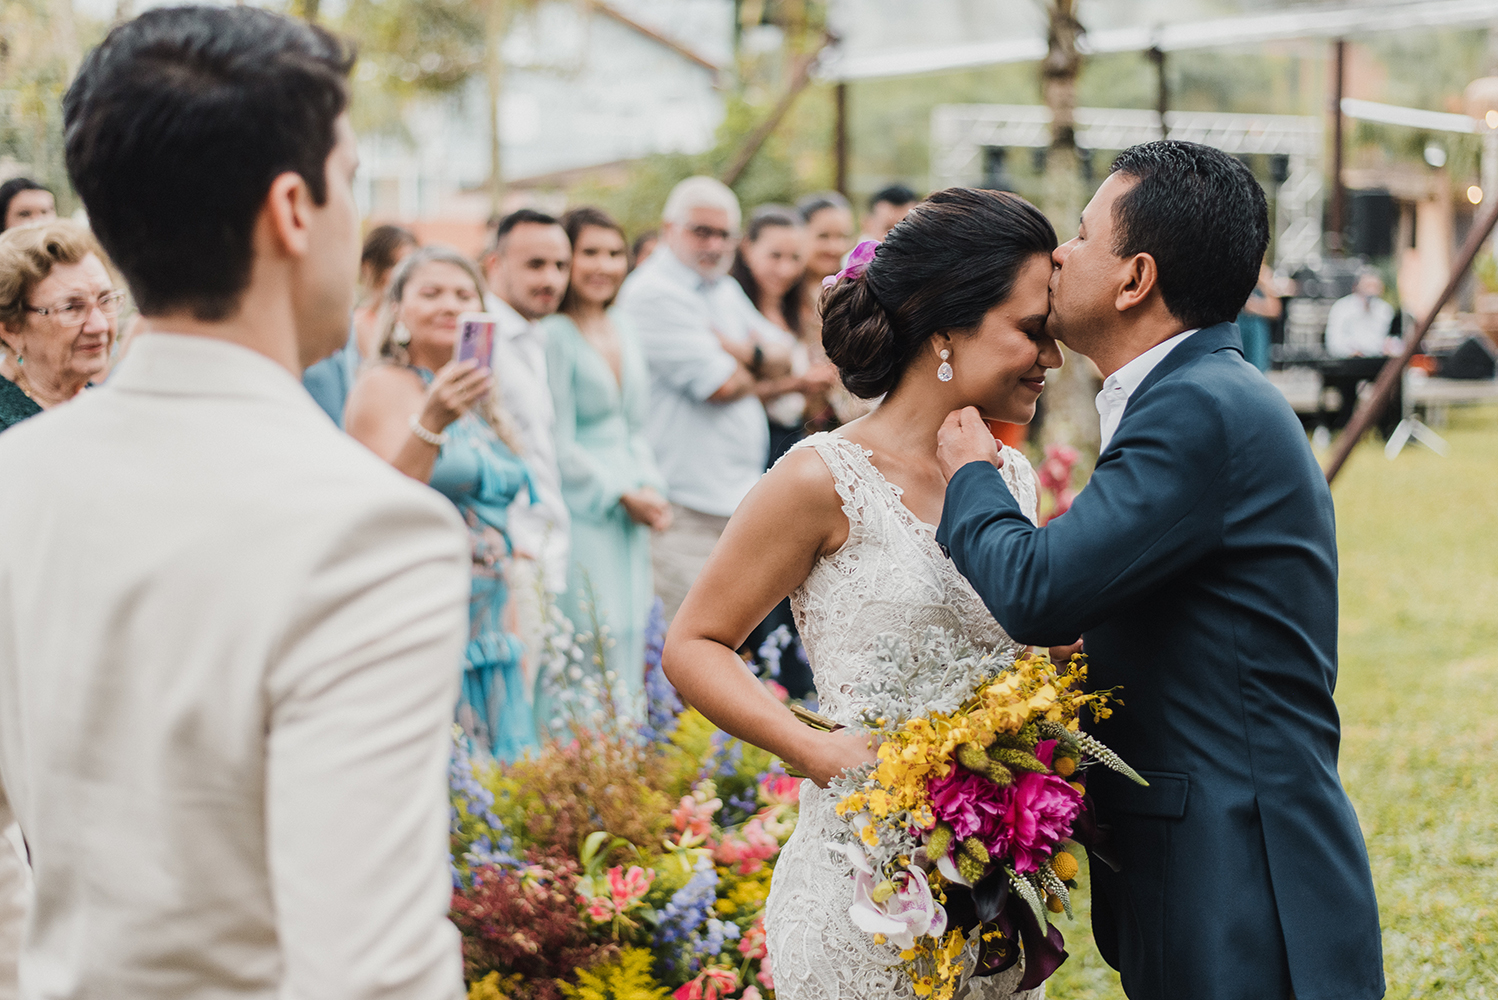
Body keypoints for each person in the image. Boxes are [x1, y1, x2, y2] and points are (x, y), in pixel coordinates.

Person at [0, 8, 471, 998]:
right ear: (294, 207)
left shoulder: (18, 478)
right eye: (353, 181)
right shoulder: (372, 531)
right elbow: (373, 967)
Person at [934, 141, 1383, 1000]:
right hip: (1217, 854)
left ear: (1135, 278)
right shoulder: (1202, 393)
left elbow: (1040, 591)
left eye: (1080, 234)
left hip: (1241, 871)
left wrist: (971, 476)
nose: (1058, 254)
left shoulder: (1197, 410)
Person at [663, 187, 1060, 999]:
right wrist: (811, 748)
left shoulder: (1010, 478)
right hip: (858, 895)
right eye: (1032, 332)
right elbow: (694, 643)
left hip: (986, 901)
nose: (1051, 359)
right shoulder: (822, 477)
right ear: (947, 329)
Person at [346, 246, 539, 761]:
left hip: (494, 615)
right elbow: (383, 508)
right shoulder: (382, 386)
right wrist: (430, 423)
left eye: (462, 294)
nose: (448, 305)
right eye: (430, 293)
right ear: (399, 311)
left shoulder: (477, 396)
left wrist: (515, 622)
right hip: (427, 610)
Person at [615, 176, 792, 621]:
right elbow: (721, 387)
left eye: (724, 234)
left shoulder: (722, 288)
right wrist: (755, 355)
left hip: (731, 501)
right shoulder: (653, 293)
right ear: (668, 229)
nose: (714, 244)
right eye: (701, 231)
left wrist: (735, 350)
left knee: (727, 648)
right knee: (680, 652)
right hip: (682, 507)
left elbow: (786, 356)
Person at [542, 207, 670, 721]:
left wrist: (649, 487)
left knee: (631, 626)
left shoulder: (623, 324)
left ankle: (626, 754)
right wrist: (618, 492)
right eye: (589, 252)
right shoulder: (554, 333)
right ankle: (578, 756)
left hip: (632, 502)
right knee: (590, 628)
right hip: (583, 503)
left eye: (614, 253)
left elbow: (634, 424)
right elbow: (556, 438)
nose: (604, 265)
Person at [481, 209, 573, 644]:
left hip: (544, 550)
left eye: (560, 266)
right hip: (509, 553)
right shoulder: (481, 342)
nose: (551, 279)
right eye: (535, 264)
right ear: (494, 265)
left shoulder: (536, 336)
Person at [729, 204, 838, 464]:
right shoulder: (732, 309)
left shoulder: (798, 309)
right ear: (747, 248)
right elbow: (729, 390)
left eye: (795, 258)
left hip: (793, 436)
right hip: (751, 443)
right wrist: (798, 384)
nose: (786, 269)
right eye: (774, 256)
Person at [0, 220, 122, 431]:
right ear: (11, 328)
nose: (99, 326)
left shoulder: (103, 404)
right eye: (71, 308)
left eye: (106, 300)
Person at [302, 223, 417, 425]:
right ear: (369, 267)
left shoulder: (415, 327)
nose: (404, 275)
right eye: (395, 265)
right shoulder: (352, 327)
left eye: (411, 266)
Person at [1325, 268, 1398, 358]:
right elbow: (1334, 342)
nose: (1371, 289)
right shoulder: (1342, 308)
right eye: (1368, 285)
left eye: (1375, 286)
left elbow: (1390, 340)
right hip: (1349, 363)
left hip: (1378, 361)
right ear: (1356, 286)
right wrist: (1350, 351)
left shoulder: (1385, 309)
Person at [1235, 260, 1282, 371]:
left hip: (1256, 329)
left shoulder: (1263, 274)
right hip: (1237, 326)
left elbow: (1275, 310)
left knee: (1256, 367)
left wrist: (1254, 306)